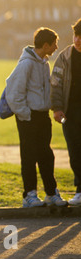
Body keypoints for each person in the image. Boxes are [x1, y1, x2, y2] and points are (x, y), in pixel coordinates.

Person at [5, 27, 67, 208]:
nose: (56, 47)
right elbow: (14, 92)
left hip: (42, 116)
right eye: (54, 44)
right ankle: (29, 195)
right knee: (29, 156)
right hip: (29, 117)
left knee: (46, 155)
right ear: (46, 44)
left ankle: (51, 192)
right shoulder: (26, 64)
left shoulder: (43, 62)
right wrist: (26, 115)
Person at [51, 18, 81, 206]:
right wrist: (57, 108)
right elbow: (55, 83)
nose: (77, 40)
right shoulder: (65, 56)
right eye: (76, 35)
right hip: (71, 112)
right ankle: (80, 189)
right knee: (75, 151)